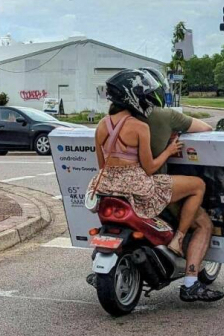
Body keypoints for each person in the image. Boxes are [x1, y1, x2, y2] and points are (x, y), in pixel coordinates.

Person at [88, 70, 207, 260]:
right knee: (198, 185)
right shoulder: (139, 127)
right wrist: (169, 151)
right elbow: (150, 168)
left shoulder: (102, 125)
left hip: (104, 187)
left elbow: (102, 166)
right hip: (136, 187)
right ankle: (178, 239)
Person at [141, 68, 224, 303]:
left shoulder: (119, 121)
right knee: (203, 223)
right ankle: (190, 282)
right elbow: (205, 128)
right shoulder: (164, 116)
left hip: (120, 187)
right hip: (154, 187)